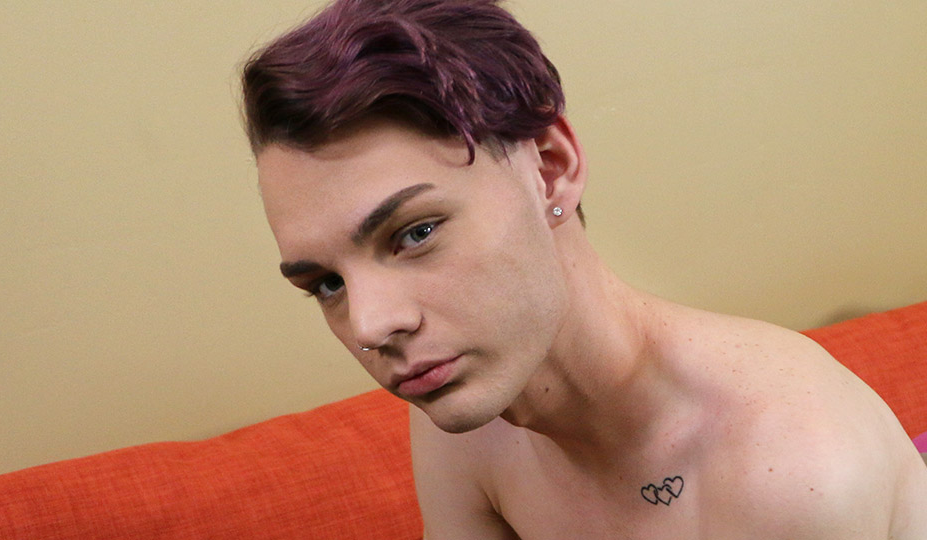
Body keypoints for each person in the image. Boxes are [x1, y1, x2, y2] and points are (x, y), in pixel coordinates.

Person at [241, 0, 927, 537]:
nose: (370, 326)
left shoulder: (793, 472)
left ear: (549, 169)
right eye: (326, 283)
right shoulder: (467, 406)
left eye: (416, 233)